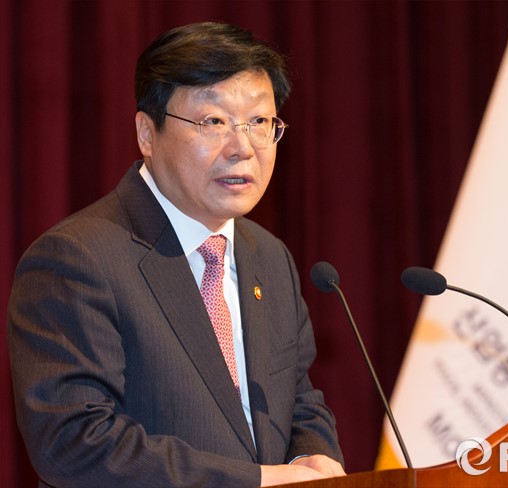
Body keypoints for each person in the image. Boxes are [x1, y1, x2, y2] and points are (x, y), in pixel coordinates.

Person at [7, 22, 345, 487]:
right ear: (147, 133)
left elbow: (298, 400)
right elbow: (74, 442)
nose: (242, 148)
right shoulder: (76, 259)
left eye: (259, 123)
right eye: (213, 122)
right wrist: (256, 481)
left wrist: (314, 457)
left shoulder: (269, 257)